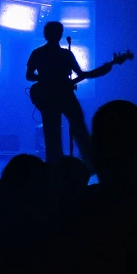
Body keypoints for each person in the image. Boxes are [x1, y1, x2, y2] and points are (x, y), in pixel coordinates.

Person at [26, 21, 111, 166]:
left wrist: (45, 79)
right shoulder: (65, 54)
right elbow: (82, 74)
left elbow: (29, 76)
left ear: (45, 34)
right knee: (79, 128)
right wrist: (103, 70)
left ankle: (54, 167)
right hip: (65, 94)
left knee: (51, 133)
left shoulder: (38, 53)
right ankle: (90, 163)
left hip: (47, 97)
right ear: (60, 34)